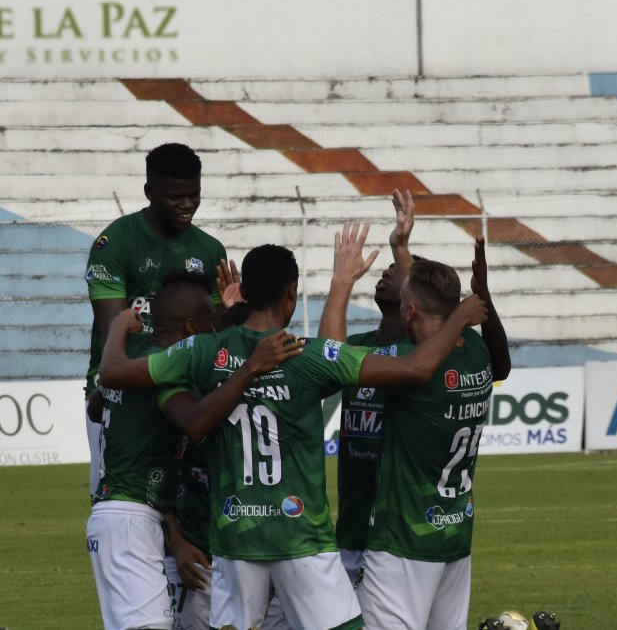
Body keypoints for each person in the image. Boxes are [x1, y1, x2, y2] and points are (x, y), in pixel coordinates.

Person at [101, 229, 488, 630]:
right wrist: (459, 315)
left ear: (245, 291)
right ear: (292, 293)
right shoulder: (309, 355)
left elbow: (112, 373)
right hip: (302, 535)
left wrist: (116, 330)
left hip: (237, 537)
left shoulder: (202, 350)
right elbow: (415, 368)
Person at [323, 230, 512, 630]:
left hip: (402, 542)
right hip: (454, 536)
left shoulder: (408, 364)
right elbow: (502, 364)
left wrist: (341, 282)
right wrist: (480, 297)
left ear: (408, 312)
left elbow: (330, 358)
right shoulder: (476, 351)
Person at [88, 270, 297, 630]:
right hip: (128, 518)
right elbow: (196, 422)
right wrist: (251, 366)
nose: (216, 338)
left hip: (132, 514)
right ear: (190, 328)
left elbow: (96, 405)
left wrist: (121, 330)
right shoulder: (166, 373)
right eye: (210, 327)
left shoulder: (134, 360)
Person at [84, 142, 228, 494]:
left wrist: (230, 309)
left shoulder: (210, 250)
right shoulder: (115, 242)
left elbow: (215, 329)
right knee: (118, 496)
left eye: (194, 195)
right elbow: (113, 328)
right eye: (175, 196)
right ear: (149, 191)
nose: (187, 205)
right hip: (122, 391)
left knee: (186, 498)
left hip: (182, 391)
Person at [335, 189, 417, 588]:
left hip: (396, 536)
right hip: (348, 528)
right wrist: (343, 283)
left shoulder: (419, 355)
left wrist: (402, 247)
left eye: (397, 271)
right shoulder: (360, 345)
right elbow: (327, 356)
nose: (387, 271)